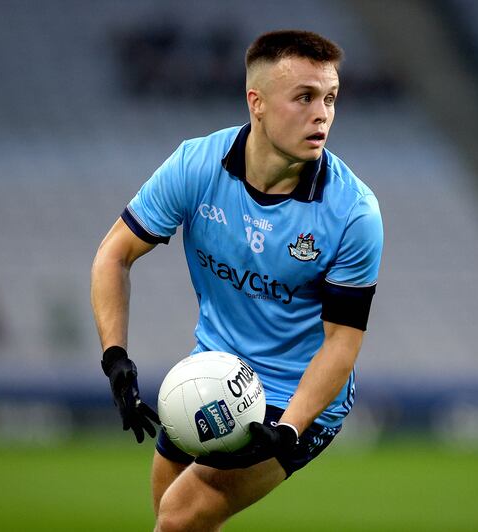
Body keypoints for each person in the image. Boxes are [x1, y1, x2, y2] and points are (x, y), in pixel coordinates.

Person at [91, 29, 383, 531]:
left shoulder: (353, 212)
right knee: (171, 514)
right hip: (212, 378)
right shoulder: (196, 165)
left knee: (179, 518)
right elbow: (114, 253)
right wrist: (115, 357)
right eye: (305, 97)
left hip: (299, 396)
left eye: (330, 98)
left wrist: (291, 426)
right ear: (258, 102)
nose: (323, 114)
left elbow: (342, 343)